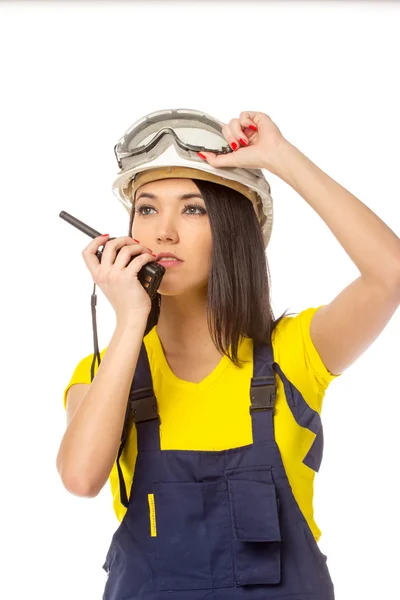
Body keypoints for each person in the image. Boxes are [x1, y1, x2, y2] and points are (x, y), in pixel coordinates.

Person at [56, 109, 400, 600]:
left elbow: (390, 273)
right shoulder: (106, 373)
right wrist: (131, 319)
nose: (164, 232)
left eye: (193, 209)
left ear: (236, 229)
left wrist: (281, 157)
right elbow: (80, 478)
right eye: (147, 209)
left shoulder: (295, 354)